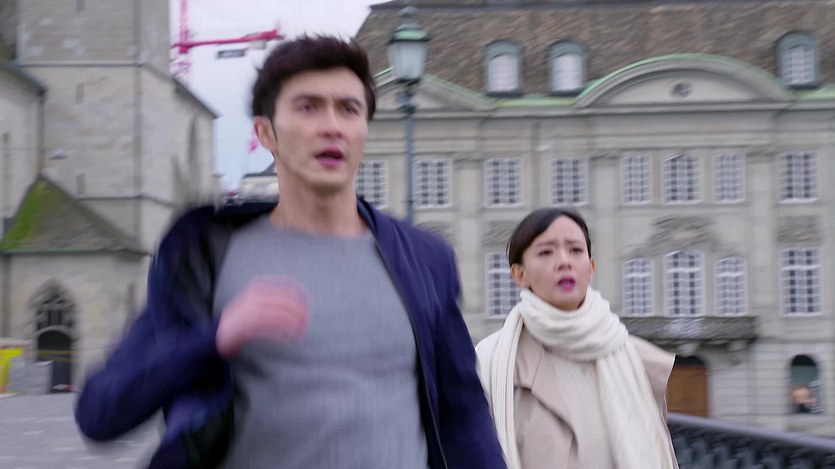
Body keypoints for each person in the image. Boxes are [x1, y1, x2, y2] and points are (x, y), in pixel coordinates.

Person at [75, 35, 506, 469]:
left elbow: (463, 413)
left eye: (349, 109)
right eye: (308, 107)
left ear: (364, 130)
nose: (332, 126)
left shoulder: (424, 258)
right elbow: (100, 412)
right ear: (266, 133)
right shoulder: (205, 257)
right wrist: (215, 338)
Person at [476, 208, 678, 469]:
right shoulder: (491, 361)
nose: (564, 262)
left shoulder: (635, 358)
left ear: (591, 268)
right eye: (546, 252)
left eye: (575, 250)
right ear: (519, 274)